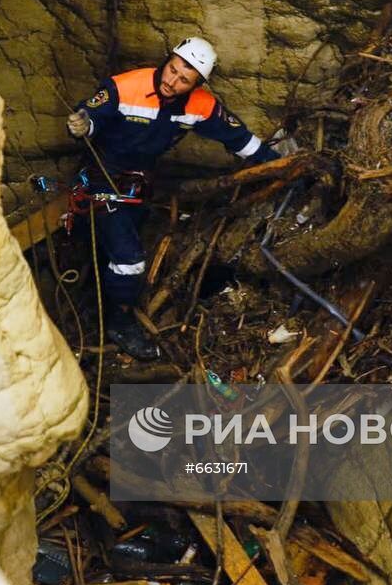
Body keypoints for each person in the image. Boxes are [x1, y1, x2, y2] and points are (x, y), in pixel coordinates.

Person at [66, 37, 280, 359]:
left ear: (196, 85)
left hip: (140, 184)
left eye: (184, 80)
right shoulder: (124, 87)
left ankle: (97, 289)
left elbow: (239, 138)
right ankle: (119, 321)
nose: (172, 81)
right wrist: (83, 125)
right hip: (101, 177)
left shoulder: (201, 105)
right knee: (129, 261)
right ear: (166, 61)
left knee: (119, 242)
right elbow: (91, 117)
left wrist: (278, 165)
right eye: (172, 70)